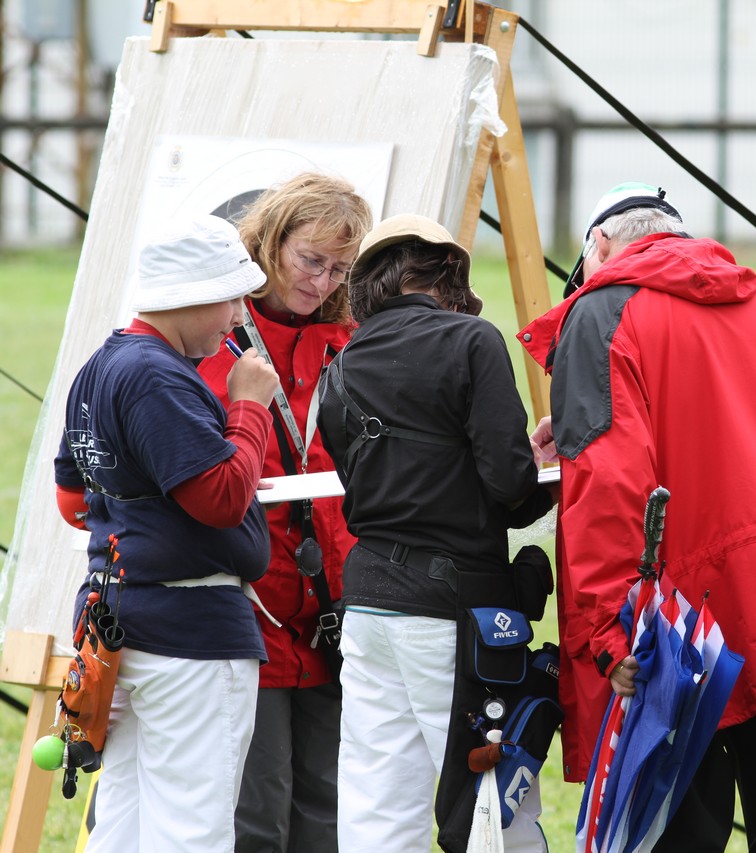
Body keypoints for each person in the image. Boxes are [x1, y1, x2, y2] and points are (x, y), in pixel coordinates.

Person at [520, 183, 756, 851]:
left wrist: (606, 631)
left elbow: (608, 488)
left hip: (683, 624)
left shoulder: (600, 312)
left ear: (600, 245)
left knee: (678, 838)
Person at [315, 214, 555, 852]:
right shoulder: (471, 340)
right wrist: (548, 474)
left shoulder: (338, 367)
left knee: (375, 802)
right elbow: (508, 488)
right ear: (449, 272)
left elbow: (371, 482)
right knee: (487, 805)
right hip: (454, 608)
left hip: (366, 600)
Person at [53, 214, 280, 852]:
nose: (238, 316)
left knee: (124, 820)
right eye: (232, 296)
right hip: (190, 633)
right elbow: (221, 499)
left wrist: (168, 493)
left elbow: (76, 498)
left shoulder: (101, 366)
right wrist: (248, 410)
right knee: (191, 827)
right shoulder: (156, 374)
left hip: (122, 617)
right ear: (191, 294)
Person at [197, 172, 371, 853]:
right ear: (270, 242)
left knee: (328, 814)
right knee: (257, 816)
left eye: (340, 268)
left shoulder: (350, 342)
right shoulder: (213, 332)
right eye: (311, 259)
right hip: (250, 609)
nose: (323, 281)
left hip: (333, 610)